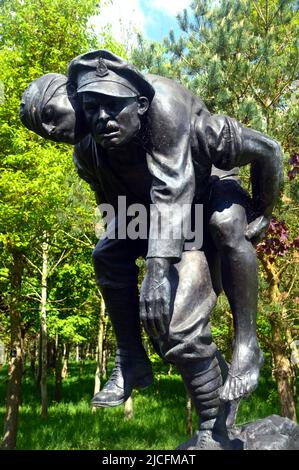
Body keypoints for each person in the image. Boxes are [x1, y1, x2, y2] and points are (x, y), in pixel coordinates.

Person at [20, 53, 282, 449]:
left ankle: (246, 347)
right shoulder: (88, 153)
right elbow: (119, 214)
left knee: (225, 228)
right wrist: (130, 256)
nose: (52, 130)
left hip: (205, 197)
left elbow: (179, 185)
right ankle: (131, 358)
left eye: (52, 115)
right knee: (107, 253)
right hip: (165, 220)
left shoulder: (169, 107)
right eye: (42, 128)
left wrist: (263, 208)